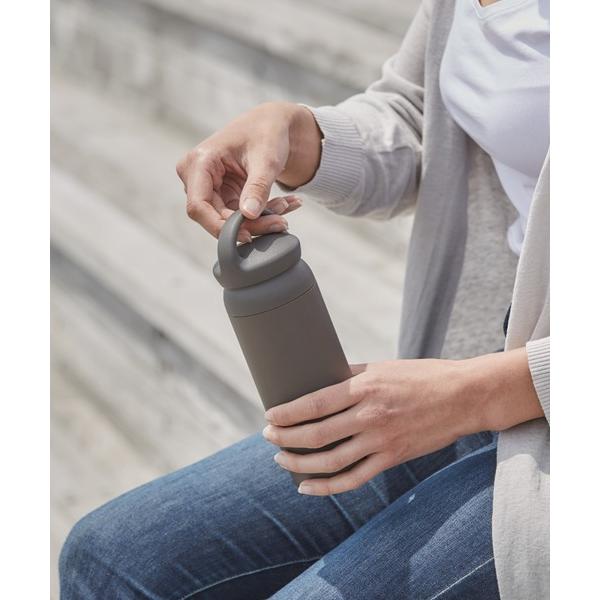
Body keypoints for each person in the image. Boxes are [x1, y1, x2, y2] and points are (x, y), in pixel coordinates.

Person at [59, 0, 550, 598]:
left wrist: (479, 394)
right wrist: (299, 138)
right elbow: (426, 118)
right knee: (111, 558)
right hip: (486, 365)